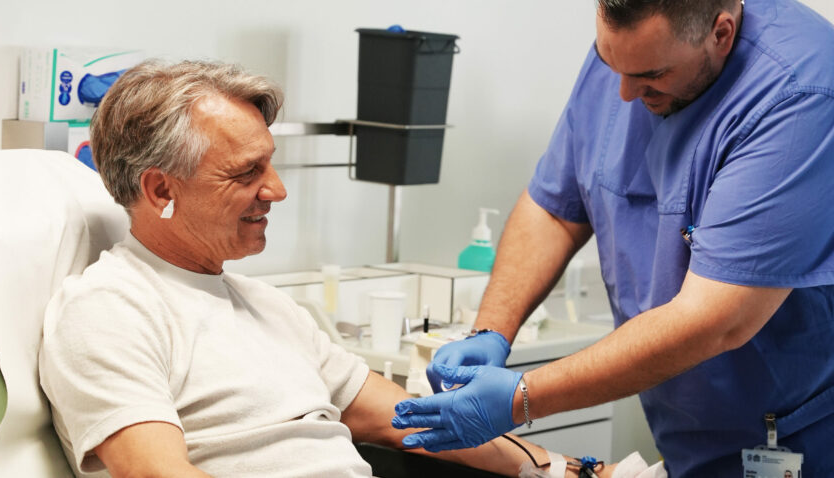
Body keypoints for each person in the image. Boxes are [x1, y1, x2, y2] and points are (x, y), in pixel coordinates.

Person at [37, 59, 620, 478]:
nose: (278, 190)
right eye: (247, 173)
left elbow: (406, 422)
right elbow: (155, 474)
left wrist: (570, 471)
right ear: (160, 188)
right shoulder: (109, 310)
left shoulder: (267, 307)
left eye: (272, 164)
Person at [392, 1, 834, 477]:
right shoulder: (628, 52)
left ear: (721, 33)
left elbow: (717, 319)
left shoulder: (800, 93)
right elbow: (554, 208)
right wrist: (491, 330)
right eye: (609, 63)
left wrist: (523, 397)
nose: (623, 93)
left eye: (650, 75)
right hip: (685, 433)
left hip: (794, 437)